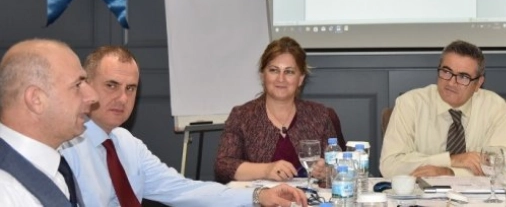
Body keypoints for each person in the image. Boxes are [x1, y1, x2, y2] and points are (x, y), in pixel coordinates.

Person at [61, 45, 307, 207]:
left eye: (131, 88)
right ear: (87, 85)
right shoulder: (65, 148)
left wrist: (259, 195)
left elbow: (183, 190)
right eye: (111, 85)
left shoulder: (127, 144)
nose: (123, 98)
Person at [215, 37, 346, 182]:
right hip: (259, 195)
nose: (281, 79)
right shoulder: (241, 116)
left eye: (289, 72)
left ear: (300, 79)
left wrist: (327, 172)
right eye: (274, 70)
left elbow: (342, 166)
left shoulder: (321, 115)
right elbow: (223, 166)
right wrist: (266, 170)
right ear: (263, 76)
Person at [380, 40, 506, 177]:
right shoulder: (410, 104)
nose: (451, 82)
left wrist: (448, 172)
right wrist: (450, 160)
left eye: (463, 77)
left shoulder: (494, 107)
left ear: (478, 84)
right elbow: (389, 166)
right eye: (446, 72)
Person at [0, 38, 98, 206]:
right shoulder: (6, 192)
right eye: (77, 84)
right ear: (36, 100)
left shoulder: (51, 165)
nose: (93, 97)